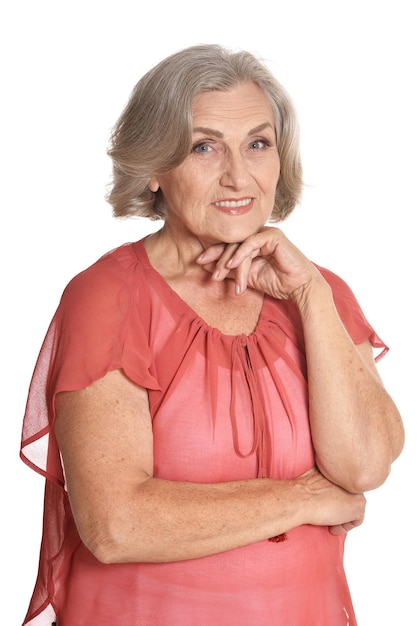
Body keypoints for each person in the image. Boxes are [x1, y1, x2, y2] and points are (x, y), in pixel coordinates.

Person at [20, 44, 404, 626]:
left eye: (258, 143)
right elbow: (117, 524)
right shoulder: (109, 297)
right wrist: (303, 499)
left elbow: (366, 466)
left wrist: (311, 296)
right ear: (153, 168)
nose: (238, 175)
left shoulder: (318, 292)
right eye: (204, 147)